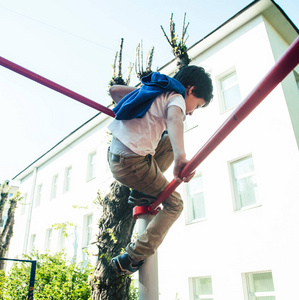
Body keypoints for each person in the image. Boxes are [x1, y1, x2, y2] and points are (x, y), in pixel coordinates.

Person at [107, 65, 213, 275]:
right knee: (175, 204)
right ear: (190, 90)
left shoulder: (157, 92)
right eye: (197, 106)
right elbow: (175, 119)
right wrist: (181, 159)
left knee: (166, 141)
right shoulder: (177, 98)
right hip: (132, 165)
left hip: (118, 157)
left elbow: (114, 91)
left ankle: (140, 192)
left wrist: (142, 94)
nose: (190, 112)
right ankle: (132, 257)